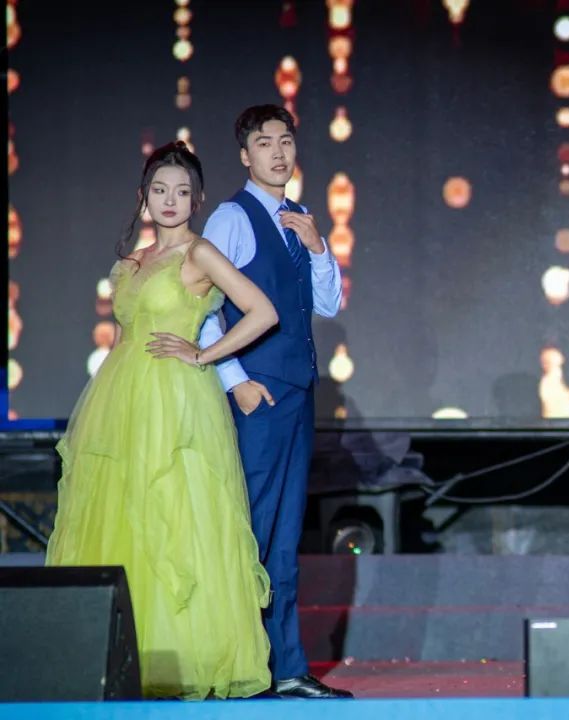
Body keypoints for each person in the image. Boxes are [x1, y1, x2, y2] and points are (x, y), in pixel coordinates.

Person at [47, 142, 278, 699]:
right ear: (143, 197)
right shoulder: (131, 263)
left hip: (175, 400)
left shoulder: (199, 255)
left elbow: (262, 311)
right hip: (120, 399)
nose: (169, 200)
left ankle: (183, 656)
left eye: (181, 192)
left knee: (174, 516)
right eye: (159, 190)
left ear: (197, 200)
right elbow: (124, 337)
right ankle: (119, 657)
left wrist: (204, 354)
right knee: (121, 515)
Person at [197, 105, 349, 699]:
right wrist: (234, 379)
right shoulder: (232, 217)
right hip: (258, 393)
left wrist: (317, 246)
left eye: (286, 141)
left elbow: (328, 304)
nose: (279, 153)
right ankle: (245, 666)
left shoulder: (299, 217)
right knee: (254, 530)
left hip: (298, 391)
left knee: (286, 535)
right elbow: (202, 307)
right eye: (265, 143)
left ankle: (286, 666)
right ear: (245, 155)